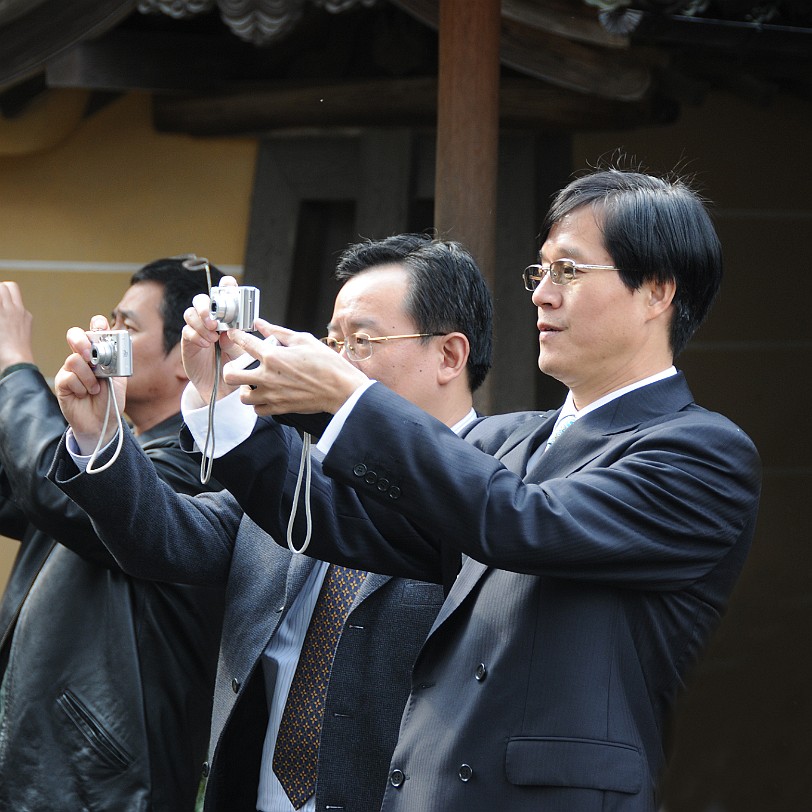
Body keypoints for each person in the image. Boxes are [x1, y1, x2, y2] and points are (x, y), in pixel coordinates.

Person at [75, 166, 760, 812]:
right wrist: (220, 403)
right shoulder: (509, 441)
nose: (541, 292)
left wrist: (349, 397)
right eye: (541, 269)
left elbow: (524, 522)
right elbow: (343, 521)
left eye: (569, 270)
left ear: (658, 291)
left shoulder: (701, 451)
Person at [48, 234, 494, 812]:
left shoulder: (495, 495)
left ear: (450, 355)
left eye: (361, 341)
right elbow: (163, 537)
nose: (333, 360)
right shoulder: (294, 481)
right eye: (332, 341)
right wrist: (99, 432)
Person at [0, 258, 227, 811]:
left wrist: (13, 368)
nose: (107, 338)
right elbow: (27, 487)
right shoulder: (112, 449)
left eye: (128, 327)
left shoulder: (201, 463)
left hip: (105, 782)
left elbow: (58, 494)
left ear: (186, 353)